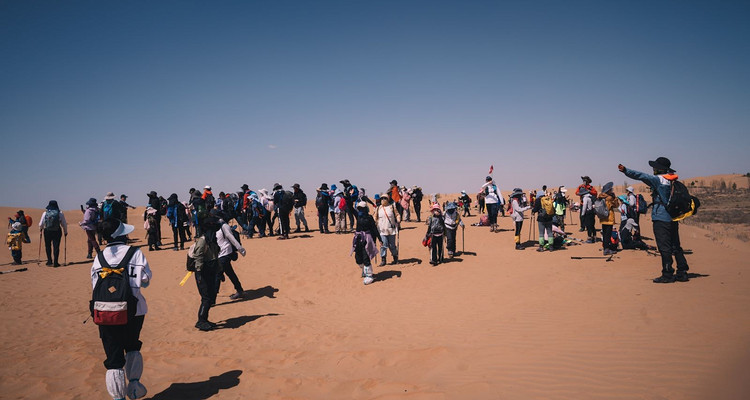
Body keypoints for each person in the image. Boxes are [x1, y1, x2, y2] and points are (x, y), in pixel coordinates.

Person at [90, 218, 151, 400]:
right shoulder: (135, 253)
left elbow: (94, 285)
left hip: (105, 312)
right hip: (134, 310)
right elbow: (146, 280)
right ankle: (133, 385)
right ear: (121, 234)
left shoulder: (99, 257)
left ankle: (118, 397)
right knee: (132, 346)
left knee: (114, 357)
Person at [619, 157, 691, 283]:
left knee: (664, 246)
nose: (653, 169)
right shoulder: (672, 180)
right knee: (675, 245)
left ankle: (667, 274)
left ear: (659, 169)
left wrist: (625, 170)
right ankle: (682, 272)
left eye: (655, 167)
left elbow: (641, 176)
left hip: (661, 218)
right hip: (673, 217)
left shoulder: (659, 180)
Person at [192, 217, 221, 330]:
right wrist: (199, 274)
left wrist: (219, 270)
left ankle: (205, 319)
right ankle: (201, 320)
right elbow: (198, 257)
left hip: (210, 272)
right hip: (202, 273)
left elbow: (215, 257)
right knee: (206, 297)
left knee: (211, 295)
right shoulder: (203, 241)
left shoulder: (212, 241)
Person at [212, 210, 247, 300]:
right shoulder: (214, 226)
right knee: (230, 272)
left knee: (218, 275)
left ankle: (211, 299)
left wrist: (240, 249)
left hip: (226, 253)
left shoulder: (224, 226)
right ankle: (240, 290)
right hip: (219, 254)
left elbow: (232, 238)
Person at [351, 201, 381, 285]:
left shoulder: (369, 218)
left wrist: (379, 239)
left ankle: (369, 275)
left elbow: (374, 229)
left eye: (361, 208)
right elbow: (350, 208)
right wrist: (348, 196)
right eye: (359, 208)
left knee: (366, 258)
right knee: (358, 258)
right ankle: (364, 270)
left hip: (367, 239)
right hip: (358, 239)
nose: (360, 210)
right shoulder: (358, 216)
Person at [38, 200, 68, 267]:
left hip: (47, 231)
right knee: (56, 247)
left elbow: (40, 224)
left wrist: (41, 229)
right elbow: (64, 224)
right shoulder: (60, 213)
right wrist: (65, 232)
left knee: (48, 246)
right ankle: (56, 262)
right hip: (57, 231)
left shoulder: (45, 213)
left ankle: (49, 261)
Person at [375, 196, 400, 266]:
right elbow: (375, 217)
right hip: (382, 230)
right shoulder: (378, 208)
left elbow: (397, 214)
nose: (383, 200)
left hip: (391, 230)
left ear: (388, 199)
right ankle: (383, 260)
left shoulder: (392, 207)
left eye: (385, 198)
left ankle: (395, 258)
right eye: (382, 198)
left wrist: (398, 220)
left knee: (392, 245)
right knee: (383, 245)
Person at [597, 182, 619, 256]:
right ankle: (607, 249)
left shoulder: (601, 196)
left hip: (603, 218)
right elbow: (616, 205)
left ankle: (606, 247)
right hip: (609, 218)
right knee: (608, 235)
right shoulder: (609, 198)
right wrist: (614, 198)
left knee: (605, 233)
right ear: (609, 190)